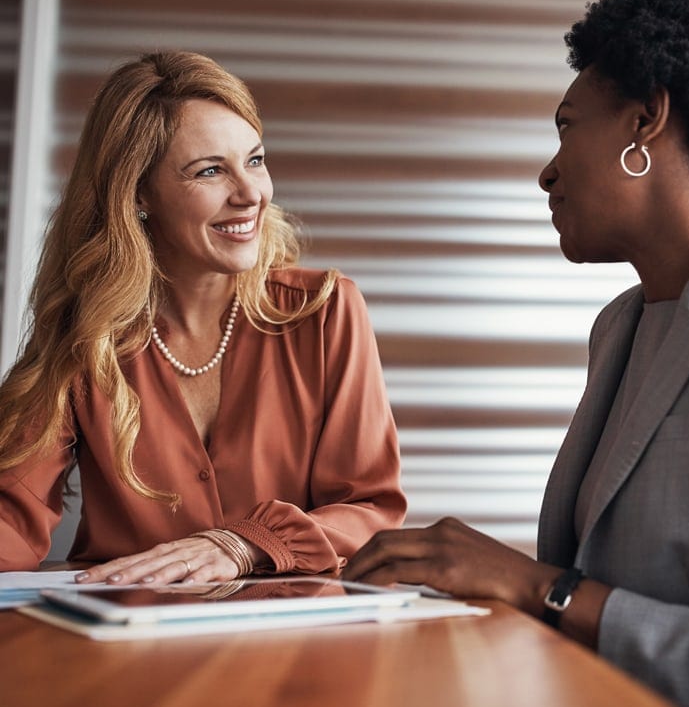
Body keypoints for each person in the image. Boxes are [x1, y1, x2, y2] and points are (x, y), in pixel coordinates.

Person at [343, 0, 689, 707]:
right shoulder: (620, 325)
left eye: (567, 125)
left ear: (646, 120)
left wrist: (534, 585)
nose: (548, 170)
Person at [0, 50, 406, 583]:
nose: (250, 195)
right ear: (139, 193)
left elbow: (372, 512)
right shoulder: (86, 334)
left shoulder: (326, 312)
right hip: (126, 640)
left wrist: (245, 544)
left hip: (292, 642)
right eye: (210, 170)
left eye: (255, 161)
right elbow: (11, 517)